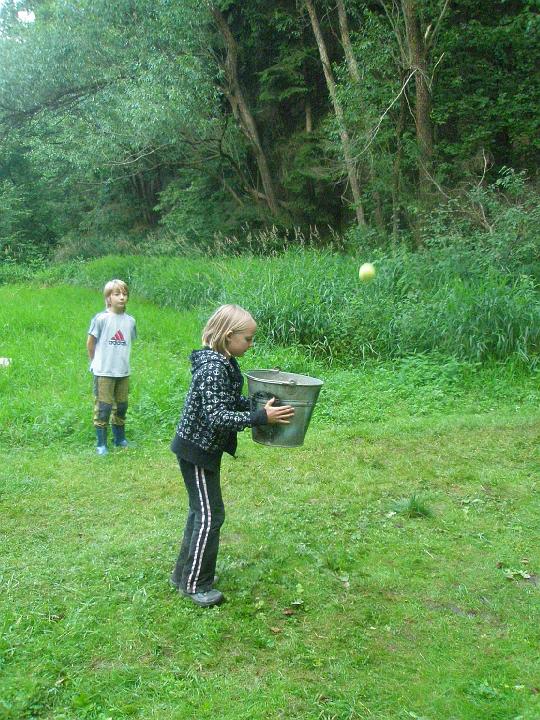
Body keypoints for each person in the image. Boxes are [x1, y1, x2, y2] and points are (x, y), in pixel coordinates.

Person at [170, 304, 294, 608]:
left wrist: (255, 405)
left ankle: (182, 575)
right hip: (197, 450)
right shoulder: (214, 367)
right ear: (228, 337)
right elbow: (217, 417)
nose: (251, 344)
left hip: (202, 449)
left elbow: (226, 400)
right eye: (248, 339)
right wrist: (260, 418)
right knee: (210, 516)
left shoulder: (223, 361)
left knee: (200, 513)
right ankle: (195, 584)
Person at [86, 279, 137, 455]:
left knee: (122, 405)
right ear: (108, 298)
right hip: (104, 372)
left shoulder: (130, 321)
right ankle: (101, 443)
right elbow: (90, 343)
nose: (122, 298)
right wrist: (94, 363)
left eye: (124, 294)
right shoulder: (101, 319)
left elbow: (126, 342)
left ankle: (119, 439)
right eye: (117, 294)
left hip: (122, 372)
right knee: (103, 407)